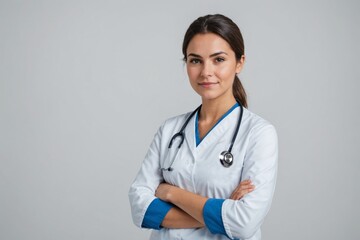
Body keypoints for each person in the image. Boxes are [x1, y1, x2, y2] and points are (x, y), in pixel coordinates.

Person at [128, 14, 278, 240]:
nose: (206, 72)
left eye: (218, 59)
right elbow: (141, 208)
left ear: (240, 63)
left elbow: (244, 224)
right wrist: (224, 210)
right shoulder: (170, 130)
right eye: (195, 60)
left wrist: (171, 193)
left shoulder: (259, 134)